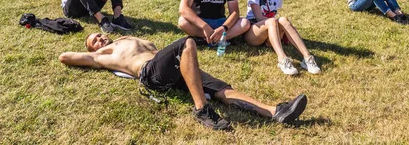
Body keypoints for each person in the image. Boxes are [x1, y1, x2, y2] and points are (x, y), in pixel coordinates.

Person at [59, 34, 308, 131]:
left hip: (173, 70)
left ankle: (275, 111)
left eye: (100, 36)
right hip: (151, 75)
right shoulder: (104, 54)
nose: (100, 39)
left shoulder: (127, 39)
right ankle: (202, 110)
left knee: (222, 89)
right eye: (94, 40)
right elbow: (65, 57)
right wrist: (93, 53)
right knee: (187, 43)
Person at [244, 0, 320, 76]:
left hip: (270, 31)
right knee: (272, 20)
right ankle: (282, 59)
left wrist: (280, 26)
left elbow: (274, 13)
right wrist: (276, 25)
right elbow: (259, 17)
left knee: (283, 19)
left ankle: (307, 57)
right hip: (254, 31)